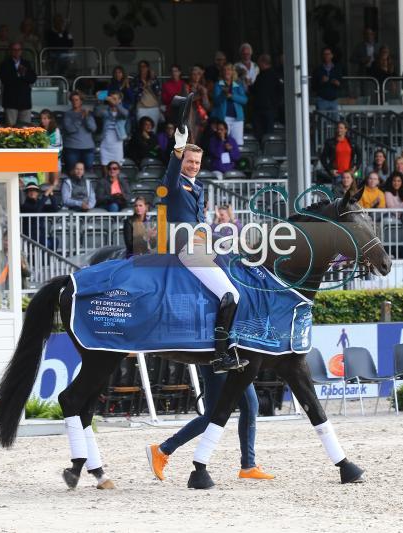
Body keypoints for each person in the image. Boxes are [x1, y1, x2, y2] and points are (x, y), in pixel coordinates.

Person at [160, 127, 245, 373]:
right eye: (189, 161)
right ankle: (221, 355)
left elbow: (201, 223)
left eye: (197, 162)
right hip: (187, 247)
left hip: (201, 244)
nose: (194, 166)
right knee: (231, 294)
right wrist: (178, 148)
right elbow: (171, 172)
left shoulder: (197, 187)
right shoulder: (175, 183)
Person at [145, 362, 273, 482]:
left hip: (238, 356)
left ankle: (249, 465)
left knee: (250, 407)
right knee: (213, 416)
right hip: (217, 356)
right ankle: (162, 450)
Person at [0, 42, 38, 126]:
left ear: (21, 51)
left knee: (25, 128)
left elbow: (33, 79)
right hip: (11, 102)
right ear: (10, 51)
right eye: (14, 49)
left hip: (24, 101)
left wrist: (24, 74)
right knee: (11, 129)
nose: (16, 51)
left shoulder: (26, 63)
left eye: (18, 49)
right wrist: (17, 73)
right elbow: (4, 80)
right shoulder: (5, 64)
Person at [212, 63, 248, 146]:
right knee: (222, 141)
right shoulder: (218, 84)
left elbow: (244, 100)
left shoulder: (238, 84)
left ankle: (235, 158)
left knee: (237, 143)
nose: (226, 72)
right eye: (224, 70)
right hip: (223, 118)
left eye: (228, 69)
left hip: (237, 119)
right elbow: (216, 101)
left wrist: (232, 96)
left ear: (232, 72)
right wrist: (223, 95)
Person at [62, 91, 97, 171]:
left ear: (81, 101)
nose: (75, 102)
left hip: (88, 148)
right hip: (72, 148)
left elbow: (93, 128)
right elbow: (70, 129)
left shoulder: (88, 114)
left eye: (77, 100)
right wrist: (81, 118)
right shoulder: (68, 114)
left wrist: (87, 117)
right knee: (71, 171)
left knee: (88, 172)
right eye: (73, 100)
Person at [251, 54, 282, 142]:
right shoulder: (261, 76)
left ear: (263, 62)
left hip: (267, 110)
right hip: (262, 109)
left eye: (259, 63)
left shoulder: (273, 76)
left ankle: (266, 152)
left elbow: (280, 93)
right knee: (261, 134)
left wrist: (274, 105)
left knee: (267, 134)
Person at [319, 121, 360, 186]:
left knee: (351, 193)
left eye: (341, 128)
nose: (339, 130)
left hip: (349, 174)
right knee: (338, 194)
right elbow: (323, 158)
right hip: (337, 174)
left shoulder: (352, 141)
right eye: (337, 128)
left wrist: (356, 167)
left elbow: (359, 155)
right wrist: (330, 170)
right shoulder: (330, 142)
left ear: (346, 129)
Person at [96, 91, 129, 166]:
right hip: (105, 143)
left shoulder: (122, 110)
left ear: (120, 100)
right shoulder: (105, 110)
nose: (112, 100)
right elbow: (96, 113)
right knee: (104, 167)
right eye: (111, 98)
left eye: (115, 99)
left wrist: (116, 104)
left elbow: (126, 114)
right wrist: (99, 101)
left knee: (116, 168)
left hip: (117, 144)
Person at [311, 47, 342, 114]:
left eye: (328, 54)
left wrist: (338, 83)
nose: (326, 56)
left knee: (335, 121)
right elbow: (313, 87)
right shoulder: (317, 70)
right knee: (322, 121)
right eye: (325, 54)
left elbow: (342, 84)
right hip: (322, 100)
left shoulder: (337, 69)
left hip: (334, 100)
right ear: (322, 56)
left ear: (332, 55)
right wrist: (321, 81)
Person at [133, 60, 162, 129]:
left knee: (153, 129)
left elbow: (158, 92)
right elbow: (136, 93)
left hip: (154, 107)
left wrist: (152, 79)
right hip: (141, 107)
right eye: (140, 67)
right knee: (142, 129)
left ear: (148, 68)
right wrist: (146, 83)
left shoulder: (154, 78)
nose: (142, 68)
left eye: (144, 66)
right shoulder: (136, 79)